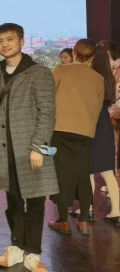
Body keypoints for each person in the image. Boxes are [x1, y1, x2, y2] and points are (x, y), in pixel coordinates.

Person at [0, 24, 58, 272]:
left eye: (9, 39)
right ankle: (17, 247)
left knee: (36, 201)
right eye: (0, 40)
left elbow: (47, 113)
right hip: (5, 149)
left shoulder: (39, 73)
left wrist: (38, 147)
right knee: (14, 200)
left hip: (32, 149)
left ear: (21, 41)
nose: (4, 44)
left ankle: (33, 253)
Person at [49, 39, 104, 236]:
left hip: (61, 130)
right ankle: (84, 222)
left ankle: (63, 221)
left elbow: (49, 99)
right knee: (83, 175)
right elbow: (98, 107)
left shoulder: (60, 70)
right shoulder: (98, 78)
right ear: (92, 56)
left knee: (62, 176)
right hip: (86, 132)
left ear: (74, 52)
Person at [89, 46, 120, 226]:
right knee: (107, 171)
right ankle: (116, 211)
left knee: (87, 170)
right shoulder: (110, 79)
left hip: (92, 123)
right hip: (105, 124)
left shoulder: (92, 79)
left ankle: (87, 209)